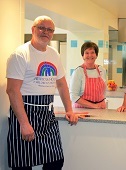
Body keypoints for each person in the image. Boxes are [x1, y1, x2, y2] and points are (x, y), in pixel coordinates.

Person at [6, 15, 78, 170]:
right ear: (33, 29)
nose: (46, 32)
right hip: (25, 113)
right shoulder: (20, 54)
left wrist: (69, 110)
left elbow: (62, 84)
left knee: (55, 161)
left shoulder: (54, 54)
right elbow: (12, 91)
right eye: (42, 28)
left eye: (50, 29)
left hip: (47, 114)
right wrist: (24, 123)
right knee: (23, 164)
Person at [70, 41, 107, 109]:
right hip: (82, 110)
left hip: (100, 108)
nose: (90, 55)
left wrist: (100, 103)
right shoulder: (78, 72)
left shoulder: (102, 70)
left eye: (92, 52)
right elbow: (73, 96)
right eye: (87, 53)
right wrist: (93, 106)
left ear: (96, 55)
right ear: (83, 56)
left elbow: (103, 92)